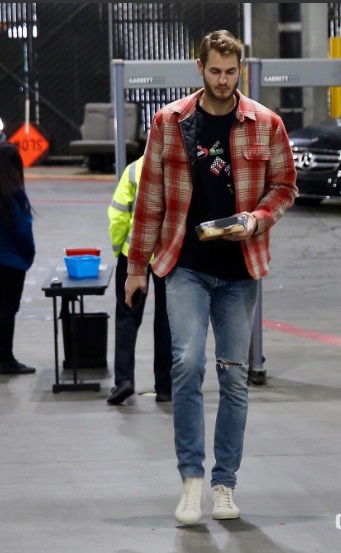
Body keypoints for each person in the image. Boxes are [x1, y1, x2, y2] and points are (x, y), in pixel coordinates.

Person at [125, 30, 298, 525]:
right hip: (185, 266)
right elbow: (150, 199)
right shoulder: (171, 121)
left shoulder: (265, 124)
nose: (224, 80)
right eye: (215, 71)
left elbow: (284, 186)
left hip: (240, 270)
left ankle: (224, 484)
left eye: (231, 71)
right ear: (199, 68)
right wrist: (137, 267)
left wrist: (257, 220)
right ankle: (191, 481)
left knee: (235, 378)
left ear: (240, 67)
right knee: (184, 364)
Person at [106, 155, 172, 405]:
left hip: (134, 253)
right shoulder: (181, 167)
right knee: (167, 319)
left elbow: (118, 214)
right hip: (169, 254)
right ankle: (165, 386)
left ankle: (124, 381)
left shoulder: (134, 169)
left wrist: (118, 249)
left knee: (127, 316)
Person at [0, 142, 36, 375]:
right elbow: (23, 230)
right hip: (11, 262)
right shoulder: (14, 194)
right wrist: (29, 254)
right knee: (7, 309)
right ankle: (5, 359)